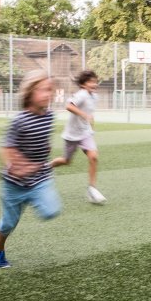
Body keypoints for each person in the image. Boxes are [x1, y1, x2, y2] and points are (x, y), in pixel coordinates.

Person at [0, 70, 62, 269]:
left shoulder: (49, 117)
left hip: (40, 177)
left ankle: (34, 197)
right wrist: (15, 166)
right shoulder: (19, 120)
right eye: (43, 90)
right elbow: (5, 148)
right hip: (14, 183)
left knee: (51, 211)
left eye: (50, 90)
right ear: (30, 93)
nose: (48, 94)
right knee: (8, 224)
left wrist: (44, 151)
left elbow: (43, 141)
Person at [51, 70, 107, 205]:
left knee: (94, 157)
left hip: (85, 133)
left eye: (95, 81)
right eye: (91, 82)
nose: (94, 84)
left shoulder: (95, 97)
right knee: (66, 161)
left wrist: (91, 126)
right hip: (72, 134)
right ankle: (46, 167)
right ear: (83, 84)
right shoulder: (81, 95)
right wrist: (83, 115)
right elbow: (69, 106)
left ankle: (92, 189)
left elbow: (90, 114)